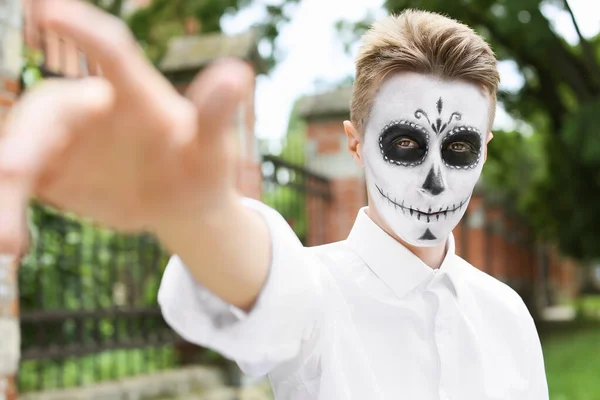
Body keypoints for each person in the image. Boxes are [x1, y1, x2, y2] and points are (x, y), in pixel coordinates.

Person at [0, 1, 548, 399]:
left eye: (458, 148)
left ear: (484, 150)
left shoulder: (508, 315)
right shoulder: (318, 293)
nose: (435, 182)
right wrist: (196, 217)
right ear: (355, 143)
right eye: (405, 143)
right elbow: (269, 283)